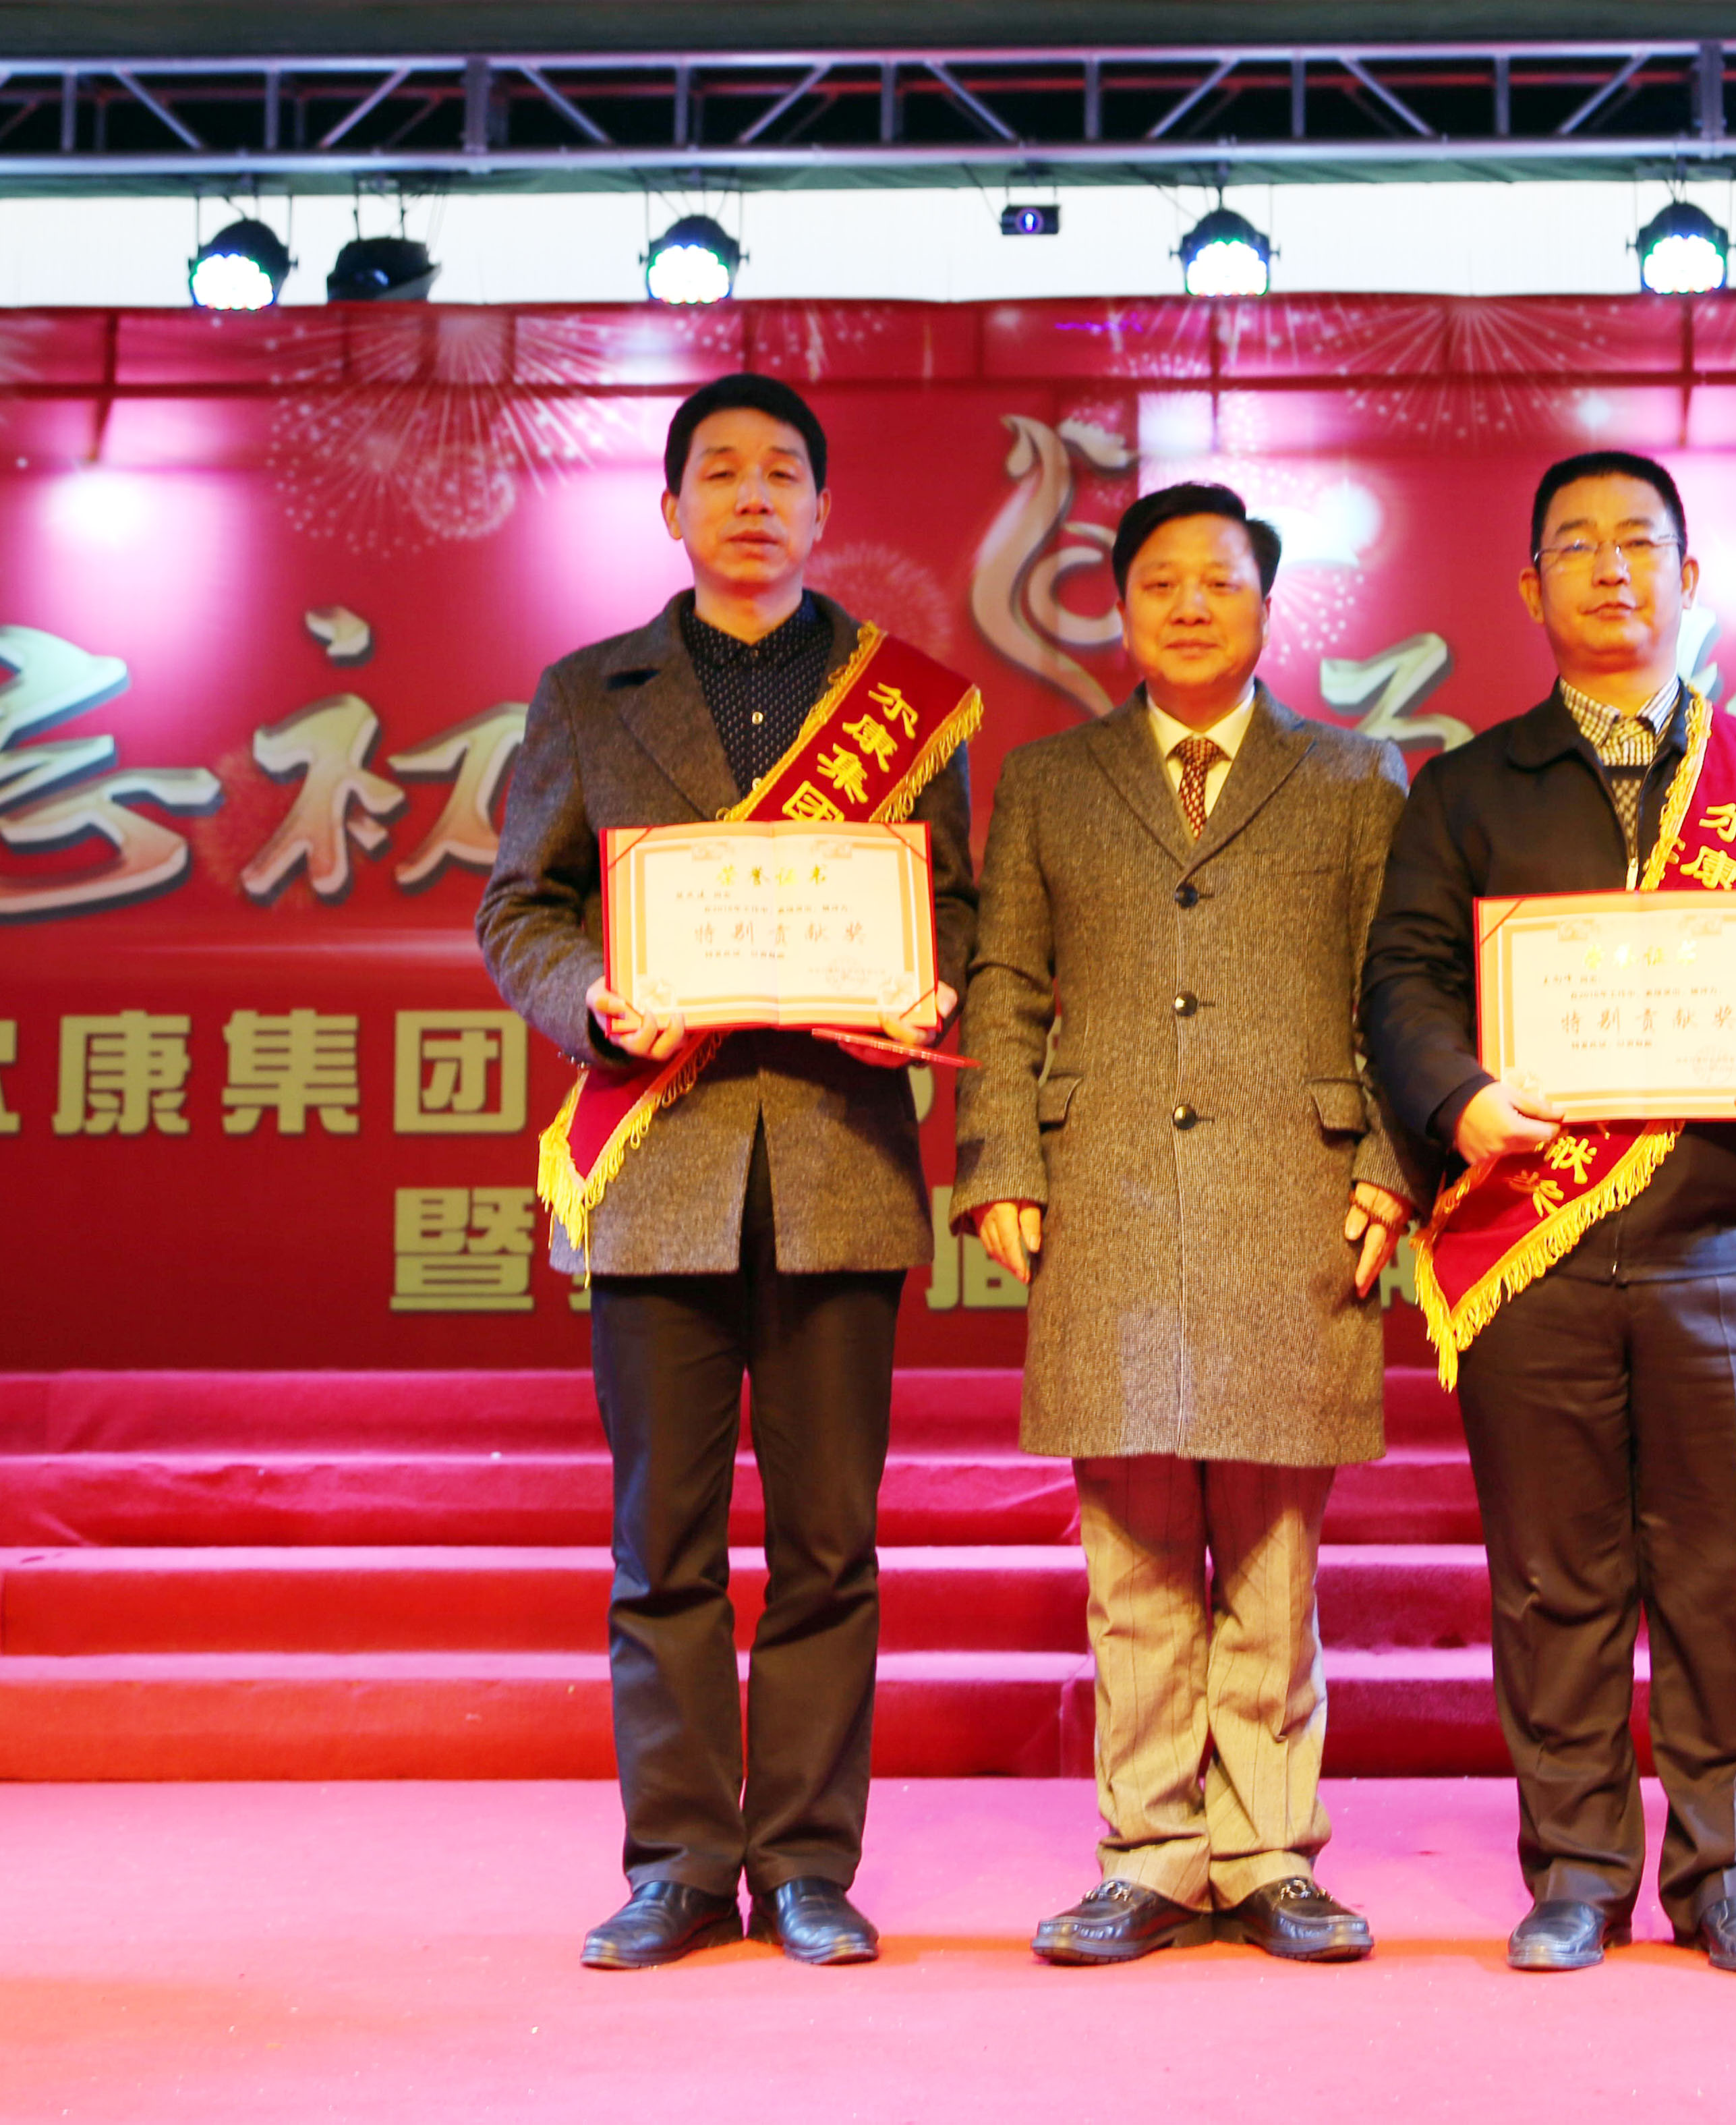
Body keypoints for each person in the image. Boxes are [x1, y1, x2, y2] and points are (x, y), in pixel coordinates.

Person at [1360, 449, 1736, 1976]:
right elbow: (1402, 982)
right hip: (1532, 1242)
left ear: (1689, 576)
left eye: (1640, 543)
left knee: (1726, 1580)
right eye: (1577, 546)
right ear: (1530, 587)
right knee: (1555, 1581)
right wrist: (1459, 1100)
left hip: (1723, 1245)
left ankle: (1730, 1876)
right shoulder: (1466, 788)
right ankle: (1578, 1873)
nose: (1611, 568)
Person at [478, 373, 981, 1971]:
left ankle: (810, 1865)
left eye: (781, 473)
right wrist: (592, 1001)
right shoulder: (588, 692)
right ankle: (682, 1866)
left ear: (825, 509)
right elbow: (520, 906)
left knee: (831, 1544)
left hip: (838, 1159)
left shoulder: (901, 702)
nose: (752, 497)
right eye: (720, 471)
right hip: (658, 1166)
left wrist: (934, 986)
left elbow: (957, 906)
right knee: (664, 1548)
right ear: (672, 507)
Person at [956, 481, 1418, 1966]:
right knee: (1135, 1552)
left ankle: (1270, 1852)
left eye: (1219, 581)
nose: (1191, 605)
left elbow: (1400, 988)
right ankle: (1151, 1853)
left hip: (1301, 1192)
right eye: (1160, 583)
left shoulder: (1355, 776)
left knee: (1274, 1558)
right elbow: (1004, 986)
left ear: (1266, 606)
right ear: (1120, 610)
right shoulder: (1051, 779)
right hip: (1105, 1190)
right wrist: (1000, 1159)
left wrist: (1393, 1165)